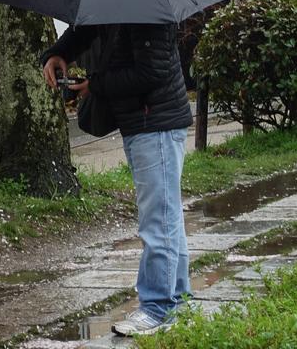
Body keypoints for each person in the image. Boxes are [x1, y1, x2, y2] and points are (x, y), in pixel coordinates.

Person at [42, 22, 192, 336]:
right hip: (146, 122)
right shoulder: (121, 1)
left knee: (159, 220)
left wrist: (95, 85)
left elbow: (150, 72)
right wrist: (59, 52)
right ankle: (175, 303)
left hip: (156, 124)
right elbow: (89, 26)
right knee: (167, 217)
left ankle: (157, 308)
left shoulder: (146, 13)